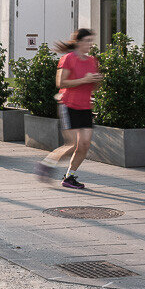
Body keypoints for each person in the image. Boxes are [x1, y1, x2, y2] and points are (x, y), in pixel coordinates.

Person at [35, 28, 101, 190]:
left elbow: (95, 87)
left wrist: (97, 80)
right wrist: (83, 79)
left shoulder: (92, 60)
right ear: (78, 42)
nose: (90, 44)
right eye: (87, 41)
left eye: (91, 41)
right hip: (68, 105)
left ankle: (69, 177)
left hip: (85, 106)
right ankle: (46, 164)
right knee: (71, 144)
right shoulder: (68, 59)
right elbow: (61, 83)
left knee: (84, 145)